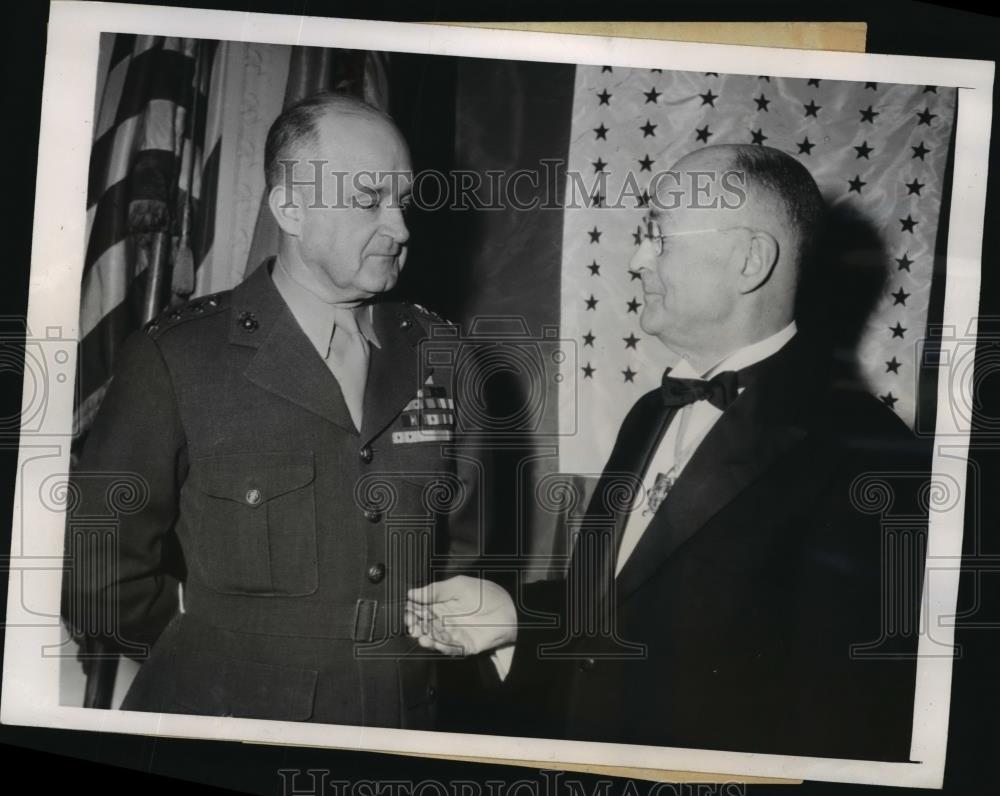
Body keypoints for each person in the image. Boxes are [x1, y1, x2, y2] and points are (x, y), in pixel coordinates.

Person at [407, 144, 928, 760]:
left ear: (749, 260)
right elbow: (623, 601)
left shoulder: (872, 453)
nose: (635, 259)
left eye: (658, 235)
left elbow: (845, 718)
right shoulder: (650, 413)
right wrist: (515, 616)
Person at [63, 92, 478, 729]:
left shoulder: (443, 356)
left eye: (402, 201)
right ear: (290, 207)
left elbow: (465, 558)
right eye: (368, 200)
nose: (400, 228)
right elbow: (95, 577)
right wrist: (211, 651)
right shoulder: (178, 357)